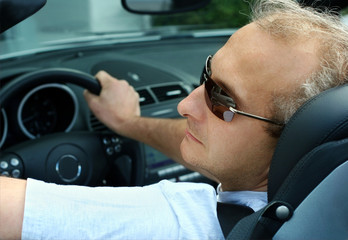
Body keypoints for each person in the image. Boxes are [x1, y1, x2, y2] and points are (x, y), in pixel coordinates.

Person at [1, 0, 348, 239]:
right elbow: (232, 149)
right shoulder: (328, 202)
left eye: (220, 99)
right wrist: (130, 124)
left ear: (296, 139)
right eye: (206, 74)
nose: (185, 105)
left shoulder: (181, 223)